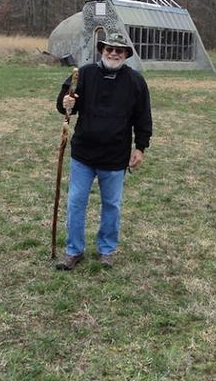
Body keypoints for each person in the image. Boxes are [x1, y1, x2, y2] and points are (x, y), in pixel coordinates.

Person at [55, 32, 152, 270]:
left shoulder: (136, 81)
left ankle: (106, 250)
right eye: (109, 49)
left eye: (119, 50)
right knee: (76, 202)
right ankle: (73, 251)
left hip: (115, 156)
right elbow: (65, 103)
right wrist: (66, 103)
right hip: (84, 154)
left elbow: (143, 117)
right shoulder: (84, 74)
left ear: (126, 54)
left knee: (112, 205)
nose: (113, 53)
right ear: (102, 50)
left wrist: (140, 147)